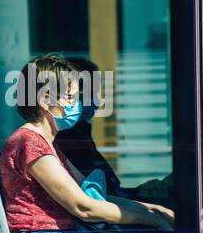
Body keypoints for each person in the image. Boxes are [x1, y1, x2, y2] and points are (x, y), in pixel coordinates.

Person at [0, 54, 174, 233]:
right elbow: (83, 207)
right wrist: (152, 219)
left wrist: (152, 209)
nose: (77, 105)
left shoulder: (46, 143)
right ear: (45, 100)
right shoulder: (29, 143)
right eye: (70, 97)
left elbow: (93, 195)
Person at [55, 57, 174, 209]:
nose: (98, 102)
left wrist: (143, 192)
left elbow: (109, 192)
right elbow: (95, 198)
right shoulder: (66, 138)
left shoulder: (81, 133)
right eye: (92, 94)